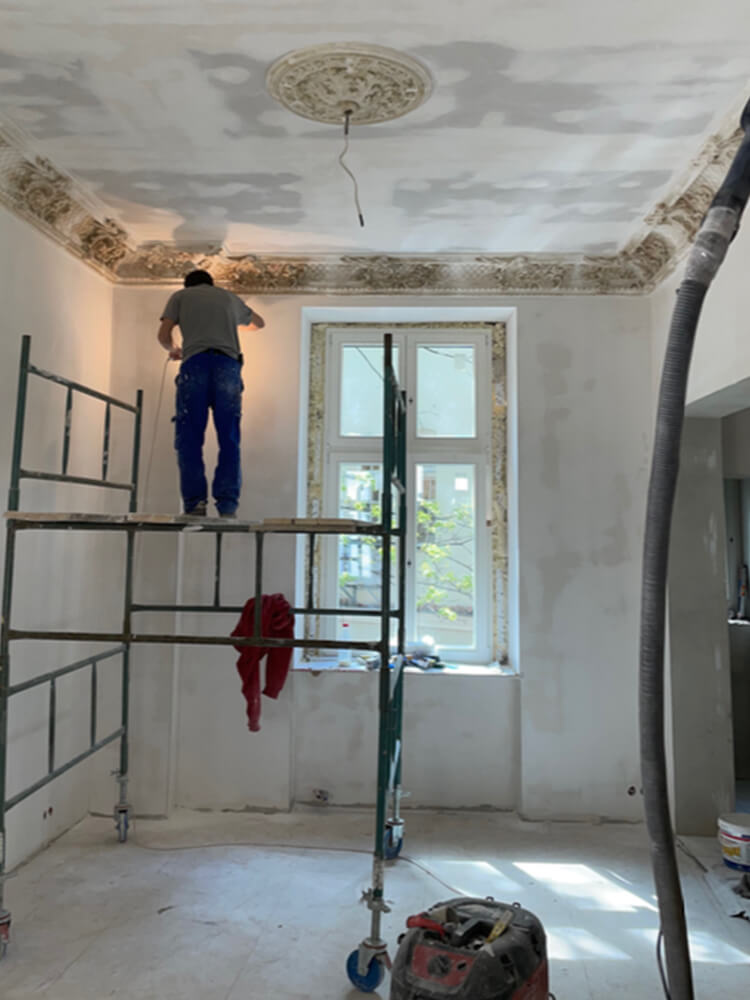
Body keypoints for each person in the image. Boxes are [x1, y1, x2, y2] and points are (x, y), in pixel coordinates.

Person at [157, 269, 265, 517]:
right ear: (211, 283)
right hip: (228, 366)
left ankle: (195, 503)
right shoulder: (227, 297)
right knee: (229, 437)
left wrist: (174, 349)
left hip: (195, 365)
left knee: (190, 437)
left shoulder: (180, 297)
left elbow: (163, 335)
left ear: (188, 285)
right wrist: (228, 324)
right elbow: (259, 323)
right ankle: (227, 505)